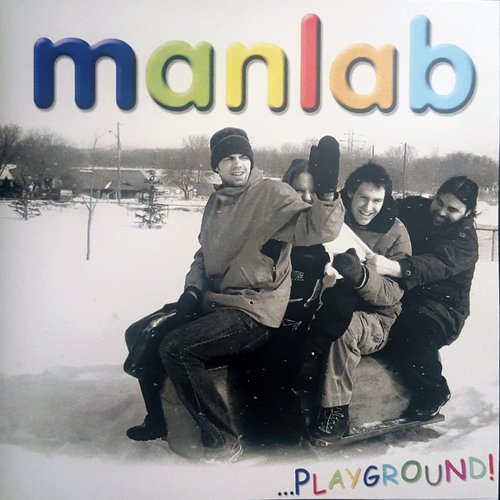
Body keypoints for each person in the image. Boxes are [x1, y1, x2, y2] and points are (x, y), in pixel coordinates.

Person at [125, 128, 345, 462]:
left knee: (177, 348)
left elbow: (318, 229)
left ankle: (222, 440)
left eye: (243, 157)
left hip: (253, 309)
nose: (238, 164)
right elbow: (203, 255)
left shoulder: (272, 194)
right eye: (229, 158)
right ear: (216, 166)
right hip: (215, 301)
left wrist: (327, 193)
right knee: (140, 333)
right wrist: (192, 290)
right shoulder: (215, 202)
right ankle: (159, 419)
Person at [304, 162, 412, 445]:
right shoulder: (334, 217)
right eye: (363, 198)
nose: (368, 207)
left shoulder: (395, 232)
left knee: (344, 329)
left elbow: (393, 294)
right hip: (326, 301)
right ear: (350, 193)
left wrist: (362, 276)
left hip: (374, 317)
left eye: (377, 200)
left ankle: (335, 410)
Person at [367, 176, 479, 421]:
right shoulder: (414, 207)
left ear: (468, 212)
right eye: (439, 202)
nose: (441, 211)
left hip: (441, 306)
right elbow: (380, 204)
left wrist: (395, 267)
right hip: (402, 294)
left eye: (452, 210)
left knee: (411, 333)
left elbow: (437, 264)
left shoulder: (464, 240)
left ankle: (433, 392)